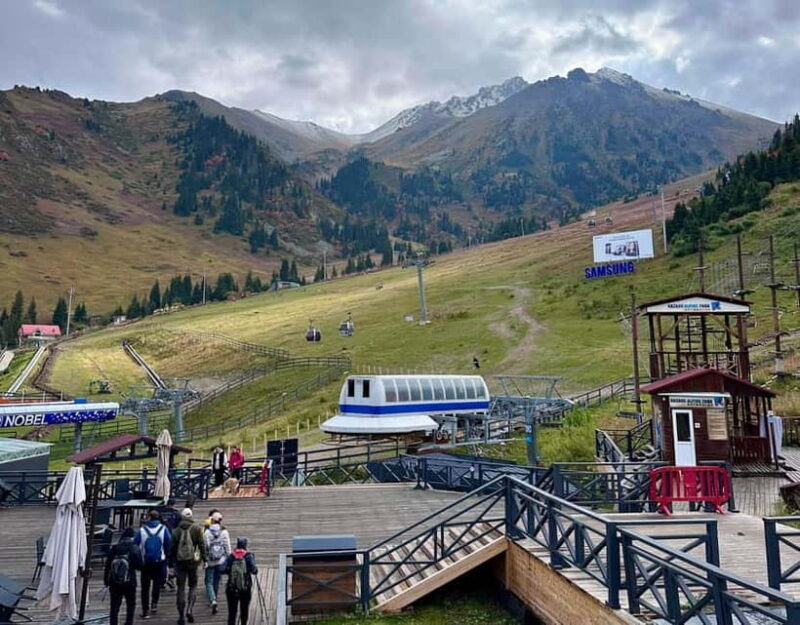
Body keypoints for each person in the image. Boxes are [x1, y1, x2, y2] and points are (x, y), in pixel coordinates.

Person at [170, 508, 207, 625]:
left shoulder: (176, 531)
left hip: (180, 562)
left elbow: (171, 549)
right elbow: (201, 545)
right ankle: (190, 609)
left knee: (180, 588)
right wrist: (205, 559)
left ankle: (181, 616)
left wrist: (170, 564)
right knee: (193, 585)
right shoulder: (196, 529)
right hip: (193, 562)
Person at [135, 509, 172, 619]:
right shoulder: (163, 529)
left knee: (145, 587)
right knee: (157, 585)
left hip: (145, 562)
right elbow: (168, 544)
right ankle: (154, 604)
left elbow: (135, 544)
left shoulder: (142, 530)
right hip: (159, 561)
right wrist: (166, 557)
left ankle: (145, 610)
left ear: (149, 517)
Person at [104, 527, 143, 625]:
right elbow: (140, 566)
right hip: (130, 581)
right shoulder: (134, 548)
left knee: (114, 606)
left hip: (114, 582)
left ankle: (113, 623)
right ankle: (128, 622)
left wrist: (106, 581)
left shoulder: (114, 548)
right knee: (131, 604)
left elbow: (108, 565)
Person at [222, 537, 258, 625]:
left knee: (232, 612)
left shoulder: (231, 556)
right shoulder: (248, 556)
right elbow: (255, 571)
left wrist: (229, 570)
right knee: (244, 610)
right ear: (245, 545)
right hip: (245, 588)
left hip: (232, 588)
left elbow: (221, 569)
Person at [204, 515, 231, 614]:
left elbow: (205, 547)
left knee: (208, 581)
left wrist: (204, 560)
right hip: (221, 560)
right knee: (217, 580)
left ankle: (213, 600)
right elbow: (227, 548)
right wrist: (228, 560)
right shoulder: (224, 532)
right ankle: (214, 597)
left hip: (210, 561)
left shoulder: (207, 533)